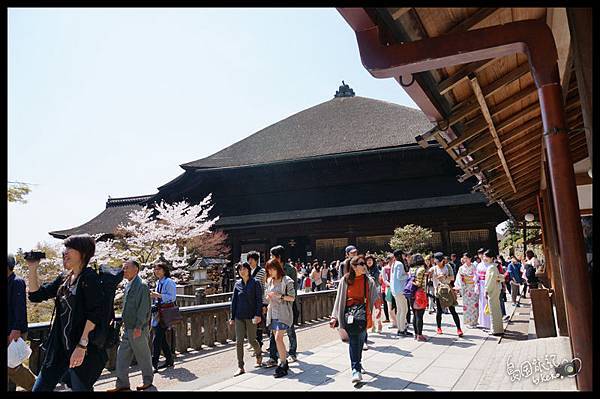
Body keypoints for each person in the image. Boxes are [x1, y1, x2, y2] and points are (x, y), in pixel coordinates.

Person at [27, 234, 106, 391]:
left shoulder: (89, 278)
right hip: (59, 348)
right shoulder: (64, 278)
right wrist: (32, 267)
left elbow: (95, 314)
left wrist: (82, 346)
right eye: (65, 249)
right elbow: (36, 295)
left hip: (80, 347)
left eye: (70, 249)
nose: (65, 253)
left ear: (83, 253)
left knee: (81, 388)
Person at [329, 255, 378, 384]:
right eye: (361, 264)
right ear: (354, 267)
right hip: (349, 314)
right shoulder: (345, 280)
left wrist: (377, 309)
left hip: (363, 314)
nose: (364, 266)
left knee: (361, 340)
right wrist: (334, 316)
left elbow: (375, 296)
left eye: (364, 263)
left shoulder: (368, 280)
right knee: (354, 340)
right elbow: (339, 299)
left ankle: (358, 363)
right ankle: (355, 369)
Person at [108, 259, 153, 392]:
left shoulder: (142, 286)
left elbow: (143, 308)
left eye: (127, 268)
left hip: (138, 328)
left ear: (136, 269)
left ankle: (148, 381)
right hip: (127, 328)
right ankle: (122, 384)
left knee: (143, 357)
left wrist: (139, 326)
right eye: (123, 268)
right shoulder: (128, 285)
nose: (124, 271)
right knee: (121, 357)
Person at [264, 245, 298, 367]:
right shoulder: (269, 279)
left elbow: (293, 292)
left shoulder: (289, 271)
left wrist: (281, 297)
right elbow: (267, 293)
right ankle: (276, 358)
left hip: (287, 307)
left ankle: (291, 353)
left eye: (272, 255)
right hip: (273, 310)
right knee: (275, 337)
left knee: (288, 332)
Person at [7, 253, 36, 391]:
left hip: (13, 331)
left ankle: (36, 386)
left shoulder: (16, 281)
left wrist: (16, 329)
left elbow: (20, 307)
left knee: (12, 366)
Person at [230, 262, 263, 376]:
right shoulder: (237, 284)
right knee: (239, 341)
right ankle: (241, 366)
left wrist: (258, 315)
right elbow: (234, 301)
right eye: (240, 269)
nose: (242, 271)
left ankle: (259, 355)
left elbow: (259, 300)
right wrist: (232, 317)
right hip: (239, 316)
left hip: (251, 316)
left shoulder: (255, 283)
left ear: (248, 270)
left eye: (244, 269)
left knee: (252, 340)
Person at [150, 255, 177, 372]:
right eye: (155, 269)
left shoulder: (168, 282)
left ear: (164, 270)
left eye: (159, 269)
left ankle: (154, 363)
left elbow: (172, 297)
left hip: (165, 312)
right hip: (158, 312)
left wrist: (158, 295)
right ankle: (169, 359)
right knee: (161, 338)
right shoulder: (159, 282)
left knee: (157, 338)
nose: (156, 271)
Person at [430, 252, 463, 337]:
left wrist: (444, 277)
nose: (437, 263)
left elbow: (452, 278)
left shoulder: (448, 267)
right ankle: (439, 327)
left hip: (447, 291)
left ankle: (459, 328)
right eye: (436, 261)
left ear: (442, 260)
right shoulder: (434, 268)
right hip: (438, 292)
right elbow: (429, 276)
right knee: (439, 311)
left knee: (452, 310)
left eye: (438, 261)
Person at [247, 251, 267, 352]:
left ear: (256, 260)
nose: (250, 261)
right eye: (248, 259)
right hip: (250, 302)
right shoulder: (248, 271)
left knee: (259, 324)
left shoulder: (262, 271)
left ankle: (259, 345)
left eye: (251, 259)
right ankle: (252, 343)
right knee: (251, 324)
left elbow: (264, 287)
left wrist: (264, 303)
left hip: (259, 300)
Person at [454, 253, 479, 329]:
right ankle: (468, 321)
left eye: (466, 258)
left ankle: (474, 321)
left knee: (474, 305)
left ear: (470, 258)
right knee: (467, 306)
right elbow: (459, 278)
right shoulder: (461, 268)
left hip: (473, 288)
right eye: (464, 258)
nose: (465, 260)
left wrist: (475, 284)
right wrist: (461, 286)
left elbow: (477, 277)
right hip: (466, 288)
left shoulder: (474, 267)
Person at [390, 249, 411, 337]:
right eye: (403, 255)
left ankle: (400, 329)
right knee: (404, 309)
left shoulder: (394, 263)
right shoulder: (399, 264)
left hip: (395, 290)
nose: (404, 256)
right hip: (400, 290)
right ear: (400, 255)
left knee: (399, 310)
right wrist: (408, 275)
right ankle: (402, 330)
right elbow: (399, 277)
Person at [484, 250, 504, 336]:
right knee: (496, 309)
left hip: (492, 289)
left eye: (486, 257)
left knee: (493, 309)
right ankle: (497, 328)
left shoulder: (491, 267)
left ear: (491, 258)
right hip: (495, 288)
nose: (484, 258)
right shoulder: (493, 266)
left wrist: (486, 290)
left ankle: (496, 330)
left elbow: (490, 281)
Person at [410, 254, 428, 341]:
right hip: (420, 294)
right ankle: (419, 335)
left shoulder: (411, 269)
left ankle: (416, 333)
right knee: (419, 315)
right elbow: (419, 284)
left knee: (415, 314)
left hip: (411, 294)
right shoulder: (422, 269)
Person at [365, 254, 382, 334]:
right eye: (367, 260)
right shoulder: (364, 269)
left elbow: (376, 280)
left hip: (376, 290)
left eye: (370, 260)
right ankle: (373, 325)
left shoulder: (376, 269)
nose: (369, 262)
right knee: (370, 309)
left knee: (377, 308)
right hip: (367, 291)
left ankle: (379, 323)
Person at [475, 248, 491, 331]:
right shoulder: (479, 265)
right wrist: (476, 285)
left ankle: (490, 323)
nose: (482, 256)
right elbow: (476, 276)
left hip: (488, 283)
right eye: (480, 254)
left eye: (483, 254)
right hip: (481, 284)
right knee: (482, 303)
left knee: (489, 303)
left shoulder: (490, 265)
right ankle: (483, 323)